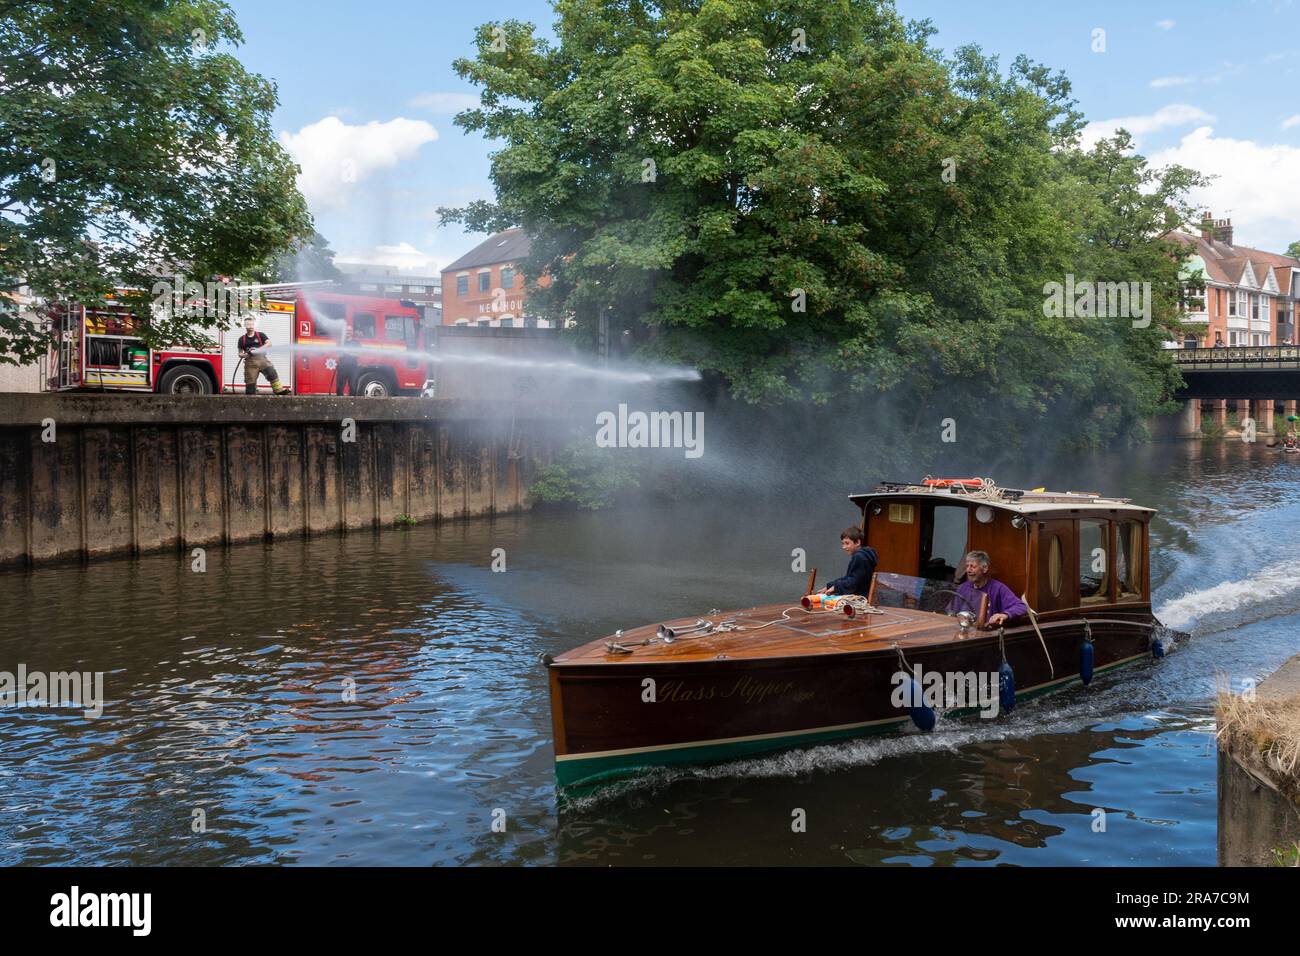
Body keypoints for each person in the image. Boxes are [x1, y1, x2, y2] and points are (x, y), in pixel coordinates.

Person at [951, 550, 1027, 627]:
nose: (968, 570)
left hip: (985, 631)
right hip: (963, 629)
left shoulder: (998, 588)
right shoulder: (962, 588)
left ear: (985, 568)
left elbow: (1021, 607)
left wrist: (1005, 615)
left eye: (972, 566)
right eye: (967, 566)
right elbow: (951, 612)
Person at [820, 526, 877, 598]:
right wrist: (830, 585)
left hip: (859, 598)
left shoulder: (859, 557)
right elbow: (849, 578)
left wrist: (835, 587)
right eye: (842, 544)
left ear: (858, 542)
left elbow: (853, 582)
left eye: (847, 543)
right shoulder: (864, 556)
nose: (844, 547)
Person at [237, 317, 290, 395]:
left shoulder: (261, 335)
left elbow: (269, 343)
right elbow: (240, 354)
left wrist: (258, 349)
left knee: (272, 373)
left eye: (252, 324)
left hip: (263, 360)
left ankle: (279, 391)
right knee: (250, 382)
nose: (250, 326)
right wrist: (247, 354)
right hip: (250, 363)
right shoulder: (242, 339)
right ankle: (250, 398)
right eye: (248, 324)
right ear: (245, 325)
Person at [336, 327, 359, 396]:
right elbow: (338, 354)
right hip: (342, 366)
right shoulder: (340, 342)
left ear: (352, 332)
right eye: (347, 330)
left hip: (353, 367)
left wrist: (349, 352)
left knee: (353, 385)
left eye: (350, 330)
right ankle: (339, 400)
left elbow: (359, 354)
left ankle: (352, 400)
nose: (348, 332)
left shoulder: (356, 343)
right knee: (340, 386)